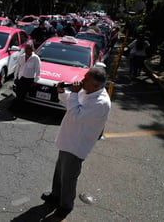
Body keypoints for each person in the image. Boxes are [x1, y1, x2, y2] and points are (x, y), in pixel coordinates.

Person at [41, 67, 111, 221]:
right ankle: (55, 195)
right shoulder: (88, 91)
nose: (82, 80)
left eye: (86, 79)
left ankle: (65, 205)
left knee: (69, 177)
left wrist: (73, 93)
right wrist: (62, 92)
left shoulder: (101, 103)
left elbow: (75, 114)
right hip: (68, 139)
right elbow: (72, 102)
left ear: (96, 85)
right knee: (60, 171)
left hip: (76, 145)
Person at [13, 42, 41, 106]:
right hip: (21, 78)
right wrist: (15, 77)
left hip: (28, 79)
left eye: (28, 48)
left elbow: (38, 70)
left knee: (22, 94)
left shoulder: (36, 58)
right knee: (18, 92)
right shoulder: (22, 56)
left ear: (32, 49)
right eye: (25, 48)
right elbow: (18, 67)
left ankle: (18, 107)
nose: (26, 50)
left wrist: (35, 81)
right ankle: (17, 106)